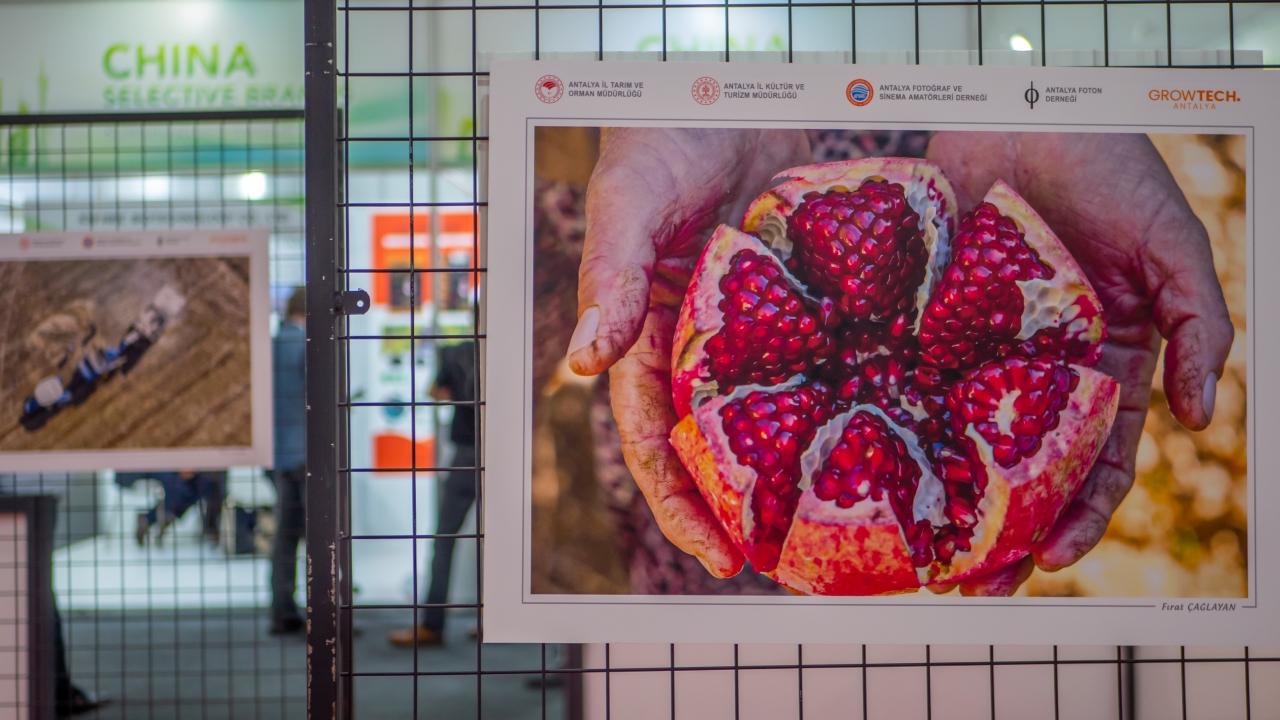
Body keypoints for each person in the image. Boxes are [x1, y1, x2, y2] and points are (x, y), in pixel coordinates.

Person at [565, 129, 1233, 596]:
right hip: (730, 169)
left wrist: (1056, 97)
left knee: (717, 554)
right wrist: (687, 87)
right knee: (699, 525)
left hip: (972, 112)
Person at [389, 339, 479, 647]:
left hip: (467, 452)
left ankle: (432, 625)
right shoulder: (510, 348)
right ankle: (495, 621)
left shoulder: (456, 352)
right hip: (504, 454)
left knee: (444, 540)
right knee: (504, 545)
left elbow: (435, 393)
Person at [269, 287, 307, 634]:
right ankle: (328, 611)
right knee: (323, 536)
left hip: (279, 455)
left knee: (285, 536)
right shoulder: (309, 346)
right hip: (309, 455)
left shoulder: (271, 345)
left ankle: (282, 609)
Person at [131, 470, 227, 546]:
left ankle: (151, 518)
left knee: (203, 485)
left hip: (188, 466)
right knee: (182, 488)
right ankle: (162, 516)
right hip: (159, 464)